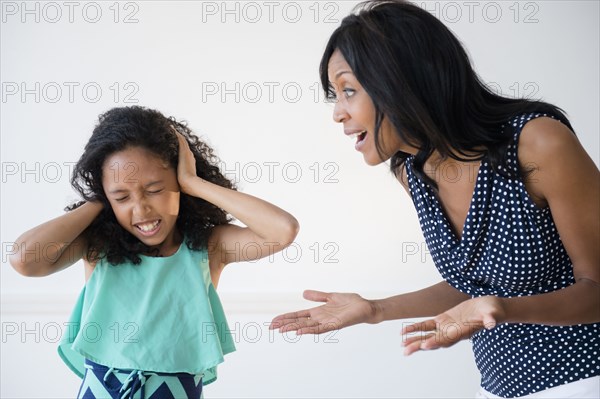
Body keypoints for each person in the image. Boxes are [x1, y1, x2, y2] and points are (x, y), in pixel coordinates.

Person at [270, 1, 599, 397]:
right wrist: (375, 310)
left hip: (583, 379)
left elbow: (595, 286)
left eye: (349, 90)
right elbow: (477, 286)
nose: (338, 113)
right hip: (499, 388)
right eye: (335, 95)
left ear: (403, 81)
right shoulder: (412, 171)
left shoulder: (537, 143)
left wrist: (505, 308)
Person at [9, 106, 300, 398]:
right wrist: (100, 201)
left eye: (155, 189)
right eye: (122, 196)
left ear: (177, 181)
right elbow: (24, 260)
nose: (141, 209)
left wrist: (194, 183)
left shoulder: (207, 246)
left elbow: (282, 230)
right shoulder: (98, 245)